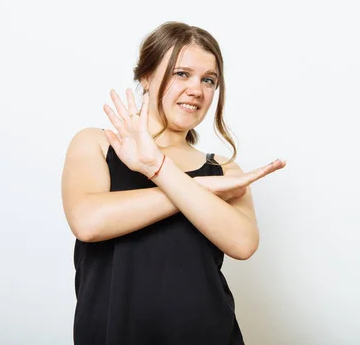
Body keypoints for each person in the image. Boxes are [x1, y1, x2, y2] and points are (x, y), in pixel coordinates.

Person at [61, 21, 285, 344]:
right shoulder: (96, 144)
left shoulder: (223, 170)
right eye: (182, 73)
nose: (197, 89)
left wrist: (159, 168)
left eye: (209, 80)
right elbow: (87, 222)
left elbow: (244, 243)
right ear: (147, 77)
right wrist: (198, 189)